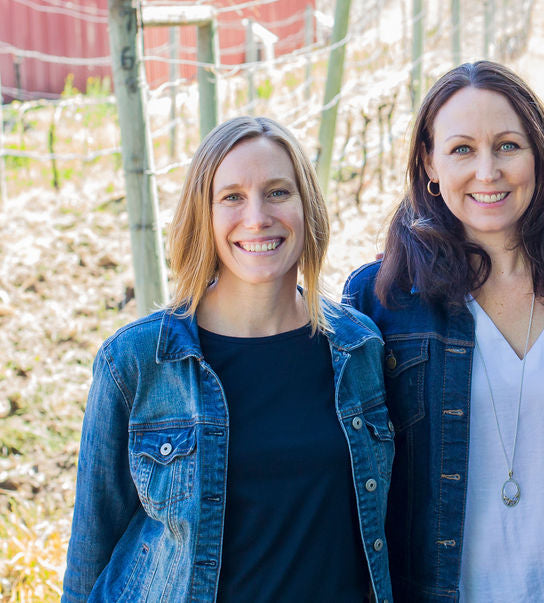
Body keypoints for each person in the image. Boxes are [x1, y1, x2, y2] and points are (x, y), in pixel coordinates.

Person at [345, 61, 544, 602]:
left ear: (540, 157)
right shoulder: (383, 301)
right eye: (462, 149)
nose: (488, 171)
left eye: (508, 145)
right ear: (429, 164)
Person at [62, 116, 393, 602]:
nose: (257, 216)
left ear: (308, 207)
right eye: (232, 196)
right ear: (205, 215)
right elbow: (91, 550)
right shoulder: (137, 362)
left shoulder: (358, 347)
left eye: (278, 192)